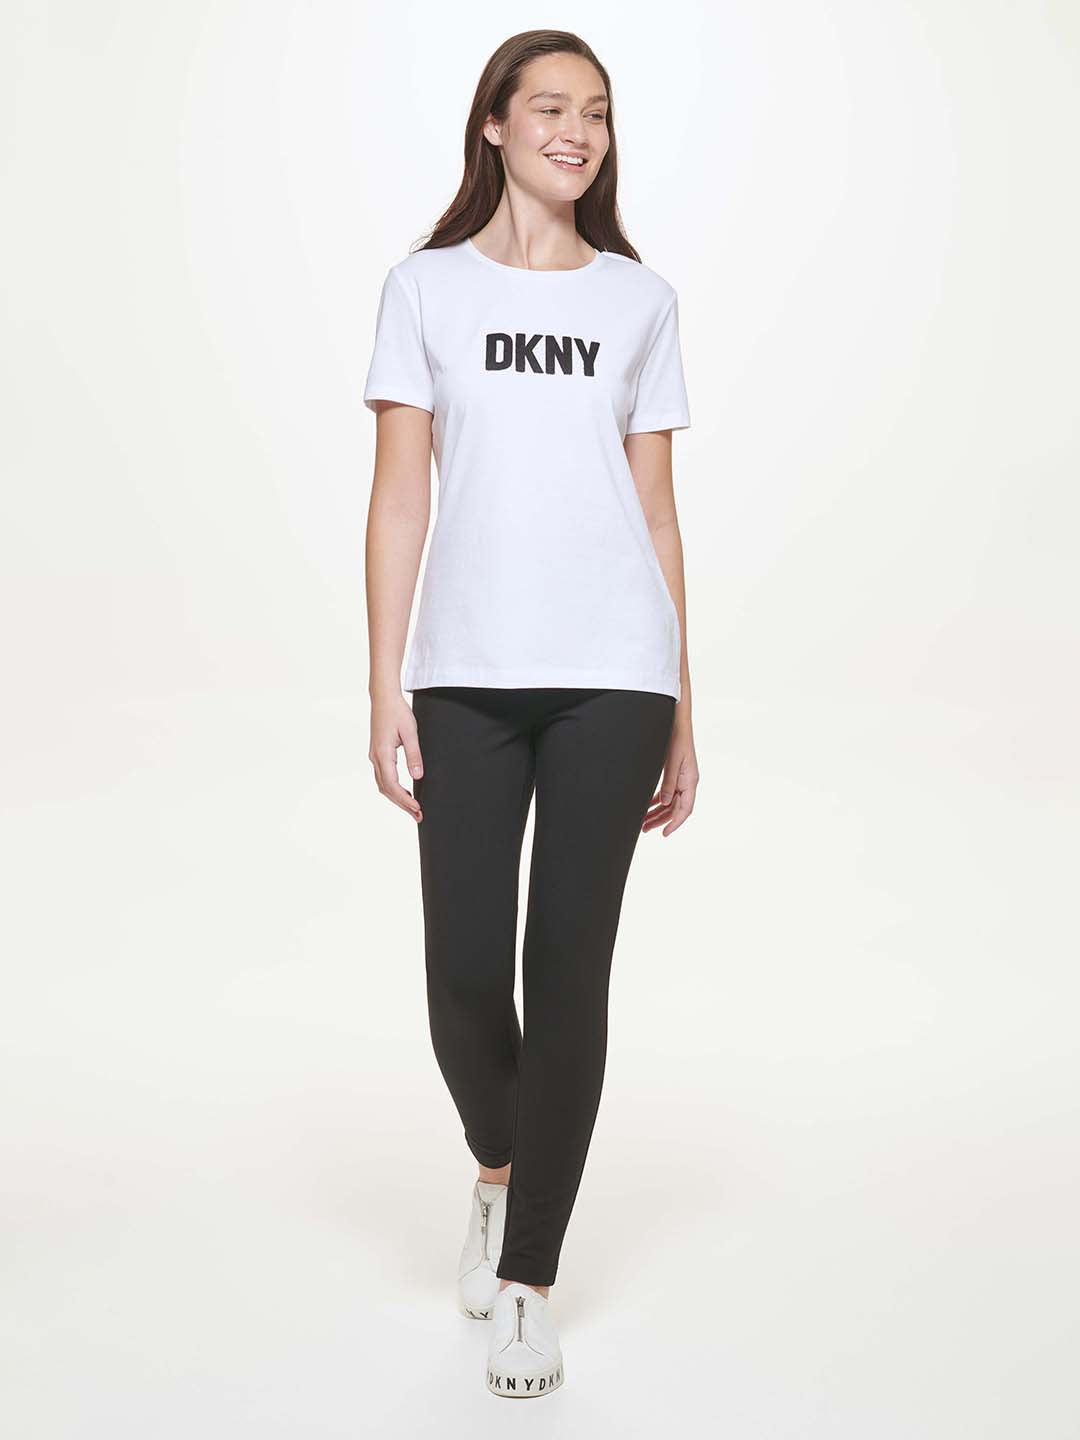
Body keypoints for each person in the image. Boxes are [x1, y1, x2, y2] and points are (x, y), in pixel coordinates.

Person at [363, 29, 699, 1399]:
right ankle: (498, 1168)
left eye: (597, 114)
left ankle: (528, 1281)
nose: (577, 131)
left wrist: (684, 708)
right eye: (551, 107)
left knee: (569, 974)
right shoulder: (425, 288)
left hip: (616, 669)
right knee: (462, 973)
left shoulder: (640, 300)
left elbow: (659, 512)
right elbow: (400, 495)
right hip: (466, 672)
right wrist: (383, 681)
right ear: (494, 124)